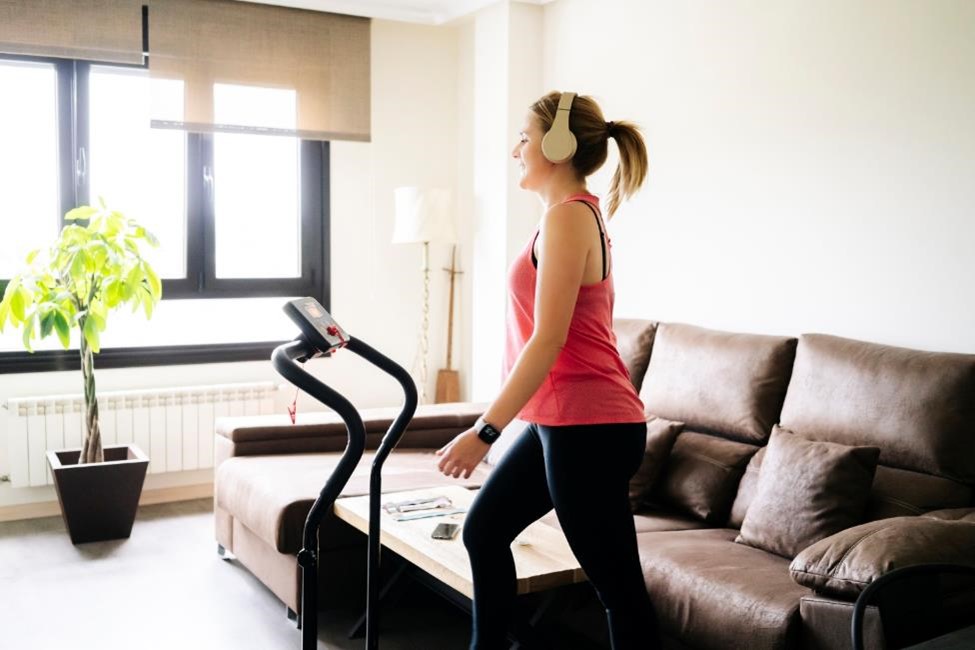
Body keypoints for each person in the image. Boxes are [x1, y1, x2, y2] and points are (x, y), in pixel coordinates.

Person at [435, 90, 659, 650]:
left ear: (557, 146)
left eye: (524, 137)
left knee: (618, 590)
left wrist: (484, 430)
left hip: (592, 430)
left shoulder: (569, 219)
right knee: (484, 531)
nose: (516, 149)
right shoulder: (566, 217)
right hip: (562, 423)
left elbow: (548, 339)